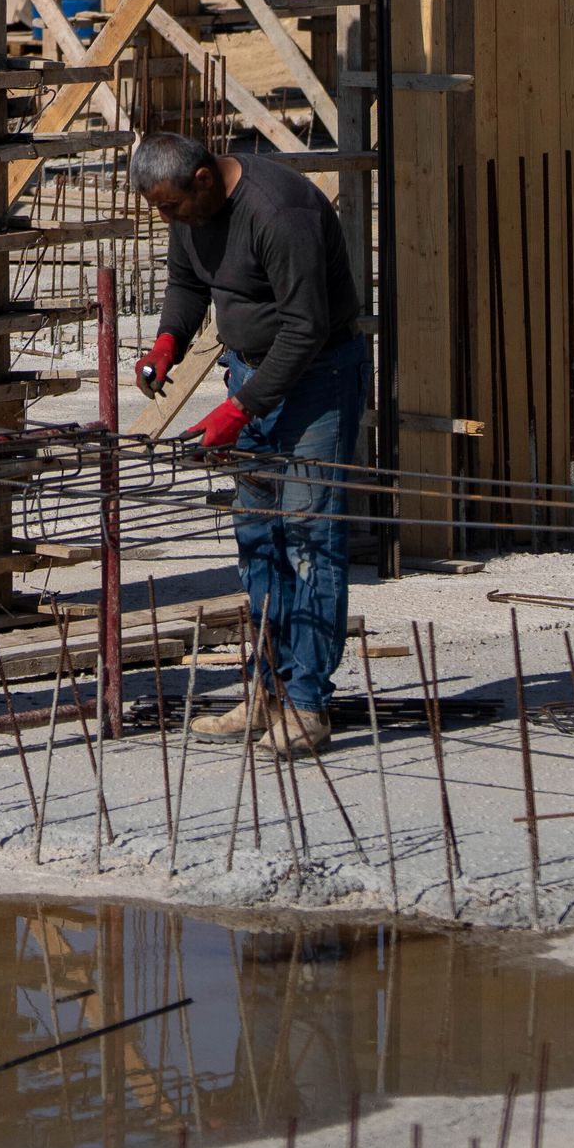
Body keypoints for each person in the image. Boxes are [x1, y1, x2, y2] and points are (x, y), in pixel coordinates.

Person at [130, 131, 366, 760]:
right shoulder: (190, 211)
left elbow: (306, 326)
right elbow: (187, 283)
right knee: (259, 536)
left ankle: (308, 704)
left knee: (309, 537)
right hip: (250, 374)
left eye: (173, 207)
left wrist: (242, 407)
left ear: (204, 179)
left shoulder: (277, 212)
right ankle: (268, 690)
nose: (169, 219)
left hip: (317, 378)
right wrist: (166, 343)